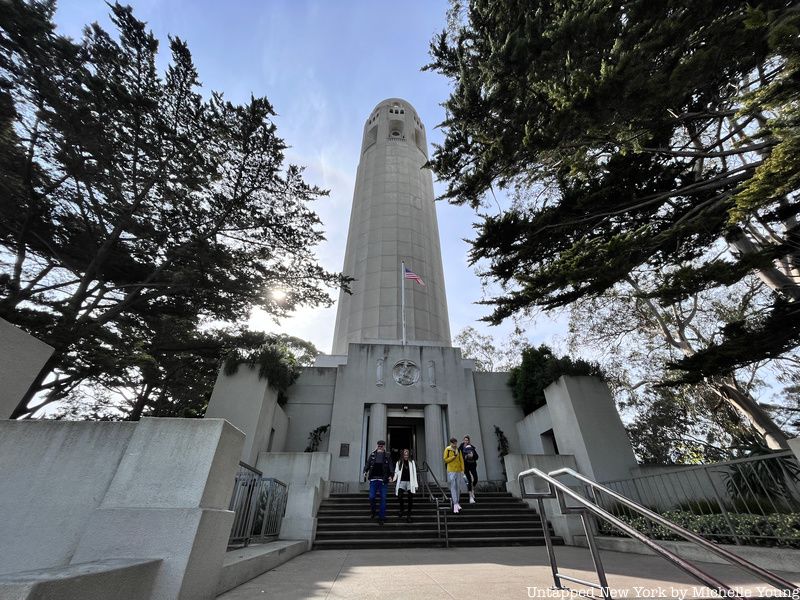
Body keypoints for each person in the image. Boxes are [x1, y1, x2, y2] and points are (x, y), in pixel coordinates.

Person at [363, 439, 392, 524]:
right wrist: (365, 471)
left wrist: (391, 475)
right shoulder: (372, 454)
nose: (380, 447)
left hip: (383, 480)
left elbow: (390, 466)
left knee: (383, 498)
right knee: (371, 497)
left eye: (382, 446)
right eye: (379, 445)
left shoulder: (387, 455)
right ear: (377, 445)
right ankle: (373, 510)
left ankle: (381, 518)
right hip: (373, 480)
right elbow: (368, 464)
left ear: (384, 446)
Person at [392, 448, 418, 522]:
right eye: (404, 454)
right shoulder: (399, 462)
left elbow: (414, 474)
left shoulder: (412, 462)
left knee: (410, 498)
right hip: (402, 482)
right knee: (399, 495)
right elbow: (396, 472)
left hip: (410, 482)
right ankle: (402, 508)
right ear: (402, 455)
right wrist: (393, 479)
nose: (406, 456)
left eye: (407, 454)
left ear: (408, 455)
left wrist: (416, 485)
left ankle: (409, 514)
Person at [443, 436, 465, 513]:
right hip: (451, 470)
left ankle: (457, 502)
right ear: (451, 443)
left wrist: (463, 469)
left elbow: (461, 460)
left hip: (458, 470)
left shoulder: (458, 450)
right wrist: (453, 456)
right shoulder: (447, 449)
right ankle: (455, 504)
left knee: (458, 487)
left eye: (456, 443)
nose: (455, 445)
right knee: (453, 487)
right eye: (454, 443)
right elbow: (445, 460)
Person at [459, 435, 480, 504]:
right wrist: (465, 457)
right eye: (465, 440)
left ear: (469, 441)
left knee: (476, 479)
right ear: (463, 440)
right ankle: (470, 496)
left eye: (467, 440)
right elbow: (459, 456)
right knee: (469, 480)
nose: (466, 441)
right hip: (465, 466)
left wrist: (472, 456)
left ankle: (472, 488)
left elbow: (477, 457)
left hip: (472, 465)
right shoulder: (461, 448)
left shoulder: (471, 448)